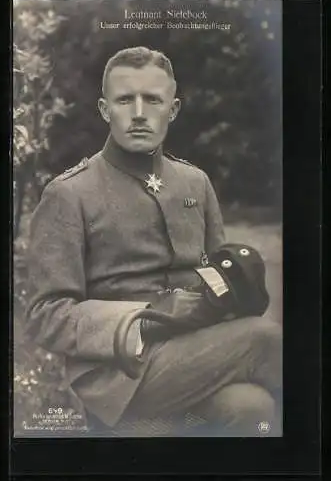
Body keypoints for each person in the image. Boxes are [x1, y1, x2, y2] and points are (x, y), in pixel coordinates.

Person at [24, 46, 282, 437]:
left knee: (252, 408)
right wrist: (147, 317)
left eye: (153, 100)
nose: (140, 113)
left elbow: (217, 277)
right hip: (121, 372)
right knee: (266, 338)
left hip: (197, 352)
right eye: (125, 99)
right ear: (104, 109)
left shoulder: (194, 182)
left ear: (173, 110)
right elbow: (45, 315)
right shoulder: (69, 194)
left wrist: (230, 293)